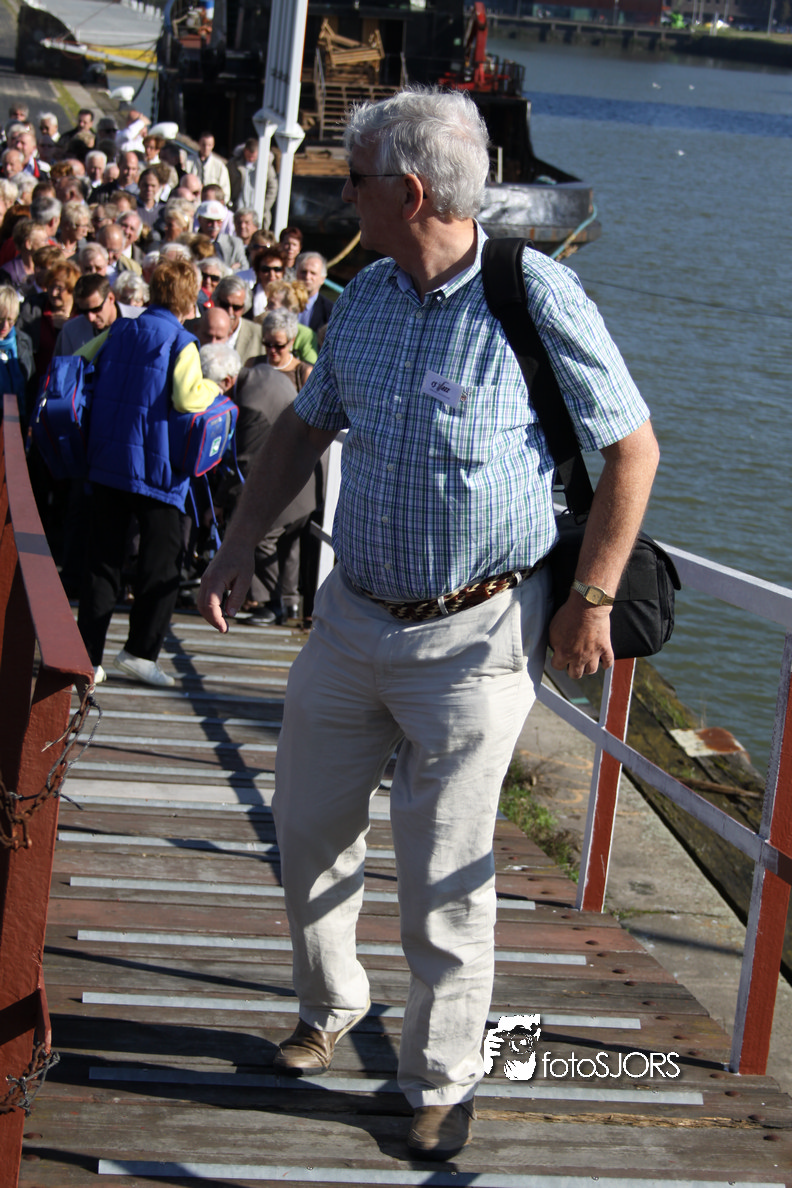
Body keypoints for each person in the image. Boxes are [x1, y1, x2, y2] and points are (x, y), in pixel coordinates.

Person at [197, 87, 659, 1160]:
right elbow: (304, 430)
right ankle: (331, 1003)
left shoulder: (535, 296)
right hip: (350, 617)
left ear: (407, 193)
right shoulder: (363, 295)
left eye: (353, 181)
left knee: (445, 872)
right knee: (306, 827)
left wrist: (590, 597)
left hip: (475, 637)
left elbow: (632, 450)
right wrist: (237, 541)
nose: (341, 198)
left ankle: (441, 1078)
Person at [77, 258, 219, 687]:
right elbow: (188, 398)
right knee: (162, 565)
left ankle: (87, 658)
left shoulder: (119, 329)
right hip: (156, 471)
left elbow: (79, 362)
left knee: (102, 563)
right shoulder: (181, 341)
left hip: (107, 462)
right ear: (188, 298)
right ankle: (140, 653)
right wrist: (215, 387)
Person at [295, 251, 333, 331]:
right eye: (303, 272)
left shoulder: (330, 310)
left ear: (322, 279)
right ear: (296, 274)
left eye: (313, 273)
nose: (307, 277)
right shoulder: (282, 302)